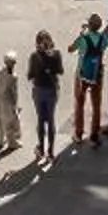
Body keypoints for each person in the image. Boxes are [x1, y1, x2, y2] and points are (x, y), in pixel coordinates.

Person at [70, 16, 108, 148]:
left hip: (82, 74)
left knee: (80, 103)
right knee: (96, 104)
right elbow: (106, 47)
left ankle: (79, 133)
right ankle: (94, 135)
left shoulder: (83, 38)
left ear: (89, 25)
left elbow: (70, 49)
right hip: (97, 74)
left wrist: (81, 34)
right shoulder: (103, 38)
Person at [26, 29, 62, 164]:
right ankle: (51, 153)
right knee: (51, 119)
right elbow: (60, 71)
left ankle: (41, 149)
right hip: (52, 90)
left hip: (39, 90)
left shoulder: (34, 56)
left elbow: (30, 75)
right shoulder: (56, 54)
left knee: (41, 119)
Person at [0, 52, 22, 154]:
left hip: (0, 100)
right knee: (10, 123)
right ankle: (12, 143)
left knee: (0, 120)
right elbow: (14, 92)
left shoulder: (0, 72)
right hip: (9, 103)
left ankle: (0, 140)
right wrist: (16, 105)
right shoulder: (13, 76)